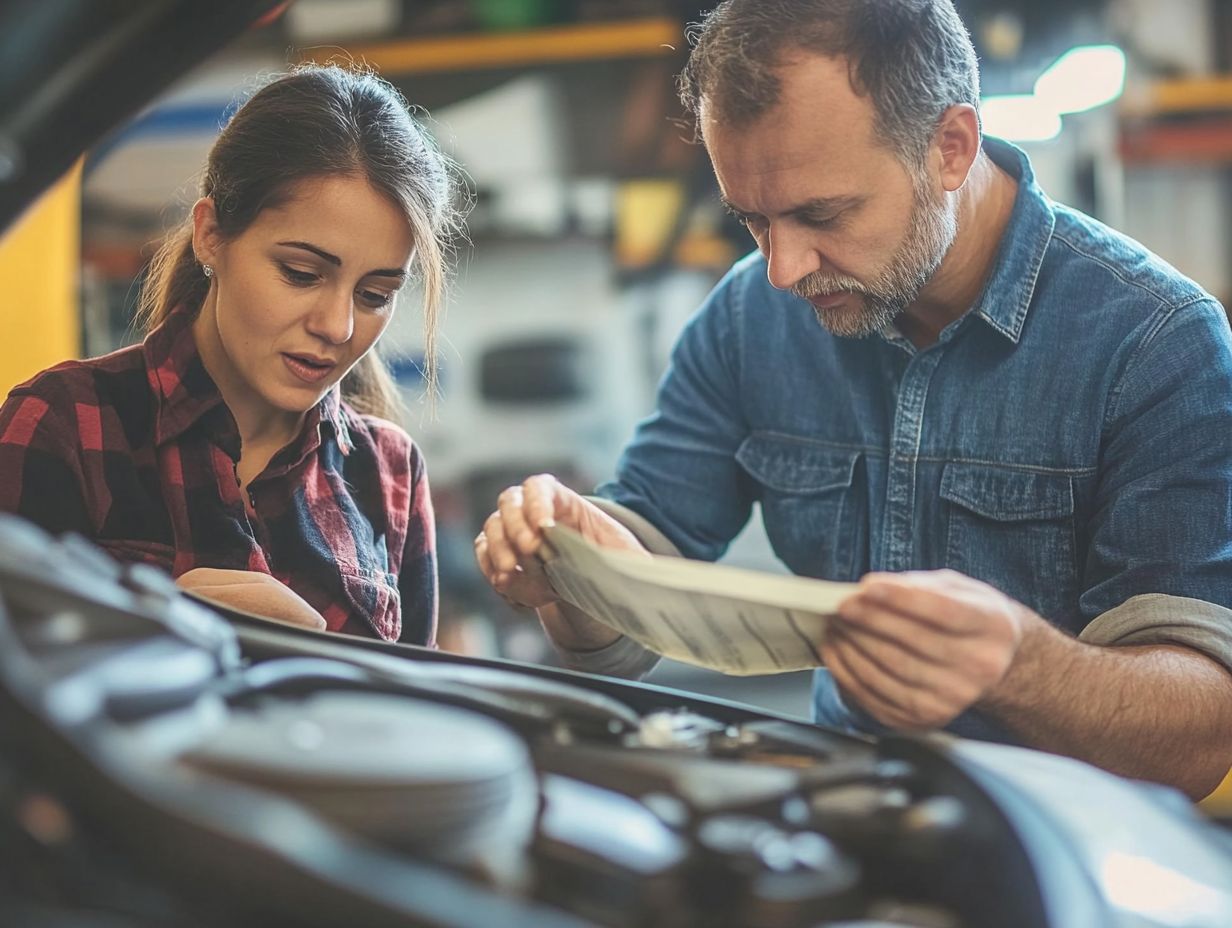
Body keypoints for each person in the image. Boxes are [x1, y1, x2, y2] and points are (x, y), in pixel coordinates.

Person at [475, 0, 1232, 799]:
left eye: (821, 214)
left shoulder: (1155, 344)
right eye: (753, 221)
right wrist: (573, 566)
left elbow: (1198, 737)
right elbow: (627, 613)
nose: (784, 270)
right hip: (843, 821)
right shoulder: (748, 316)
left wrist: (1021, 664)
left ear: (950, 147)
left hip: (1072, 855)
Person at [0, 64, 461, 644]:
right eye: (300, 273)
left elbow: (414, 721)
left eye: (375, 295)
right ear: (210, 234)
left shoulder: (390, 473)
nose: (338, 326)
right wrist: (153, 633)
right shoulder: (65, 425)